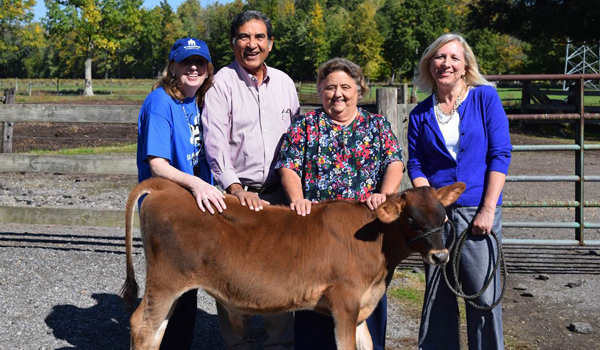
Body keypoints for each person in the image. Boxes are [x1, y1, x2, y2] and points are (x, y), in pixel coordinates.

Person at [275, 57, 405, 350]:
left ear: (359, 89)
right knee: (313, 301)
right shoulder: (306, 125)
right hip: (318, 232)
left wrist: (383, 194)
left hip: (364, 233)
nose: (338, 94)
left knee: (365, 307)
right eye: (330, 87)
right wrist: (298, 200)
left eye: (346, 87)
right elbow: (289, 167)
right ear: (320, 90)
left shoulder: (377, 124)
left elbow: (395, 162)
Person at [407, 33, 512, 350]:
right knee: (437, 296)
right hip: (437, 218)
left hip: (476, 212)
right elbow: (416, 164)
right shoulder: (420, 114)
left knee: (482, 296)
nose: (446, 64)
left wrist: (488, 209)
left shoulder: (485, 98)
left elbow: (500, 154)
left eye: (453, 57)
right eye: (439, 57)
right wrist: (428, 207)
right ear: (430, 65)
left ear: (465, 64)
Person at [201, 10, 299, 350]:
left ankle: (280, 343)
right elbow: (214, 142)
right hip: (236, 193)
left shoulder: (285, 84)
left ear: (270, 44)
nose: (252, 44)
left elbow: (297, 142)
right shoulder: (220, 85)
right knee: (232, 274)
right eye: (244, 36)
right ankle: (236, 344)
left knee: (282, 273)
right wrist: (236, 189)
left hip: (278, 194)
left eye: (259, 37)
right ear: (233, 43)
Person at [136, 37, 226, 350]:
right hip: (168, 207)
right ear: (172, 67)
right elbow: (157, 164)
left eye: (199, 62)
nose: (193, 67)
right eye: (186, 62)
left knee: (189, 285)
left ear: (208, 69)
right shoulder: (161, 101)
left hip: (191, 205)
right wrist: (198, 183)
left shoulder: (198, 101)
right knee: (172, 286)